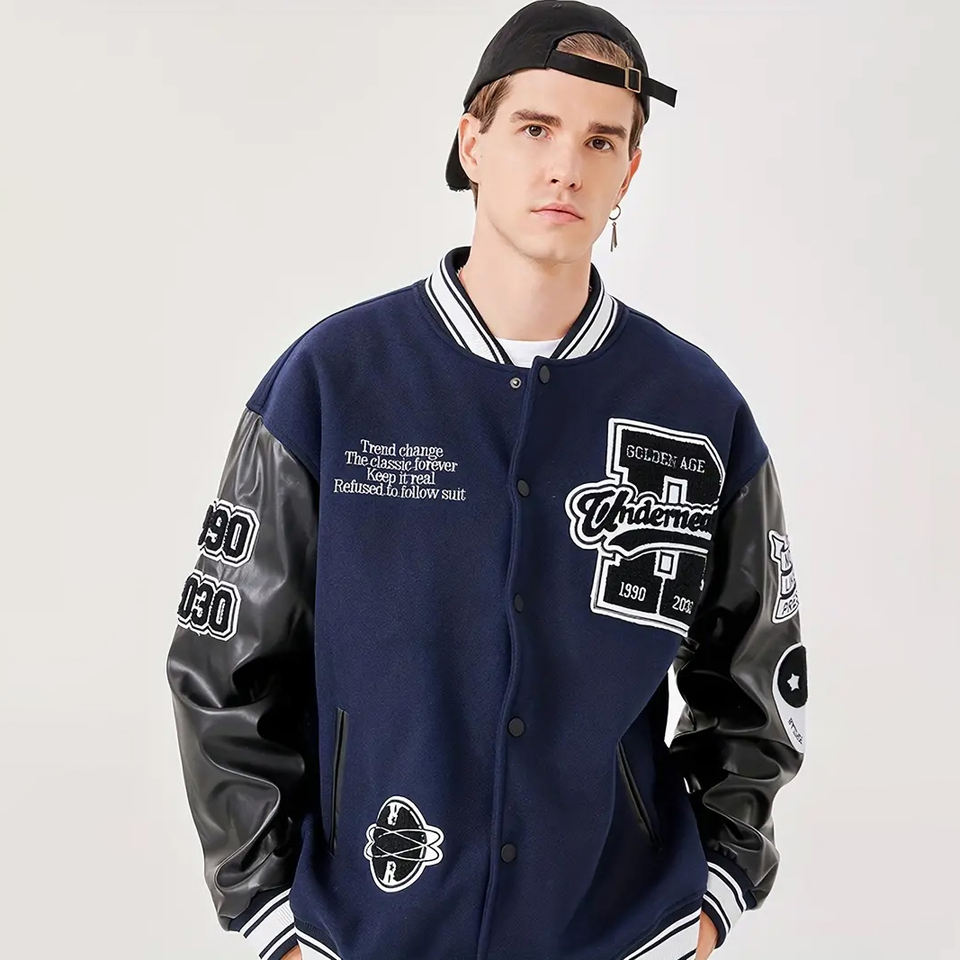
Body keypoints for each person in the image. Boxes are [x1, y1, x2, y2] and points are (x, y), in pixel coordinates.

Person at [165, 3, 807, 960]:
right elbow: (223, 662)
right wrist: (271, 912)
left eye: (601, 141)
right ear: (473, 142)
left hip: (619, 932)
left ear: (630, 170)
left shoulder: (695, 407)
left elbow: (758, 673)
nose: (566, 167)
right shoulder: (333, 382)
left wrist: (715, 891)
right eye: (535, 128)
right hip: (370, 927)